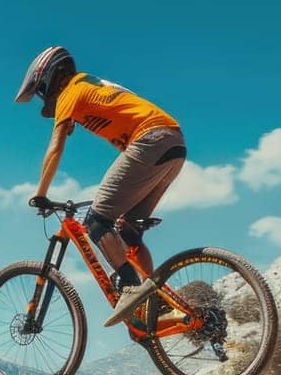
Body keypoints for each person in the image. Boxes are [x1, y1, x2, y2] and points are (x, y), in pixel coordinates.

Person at [14, 46, 187, 328]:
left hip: (152, 140)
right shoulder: (91, 85)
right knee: (128, 228)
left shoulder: (71, 89)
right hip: (174, 145)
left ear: (50, 78)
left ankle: (131, 288)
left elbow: (56, 147)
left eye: (41, 92)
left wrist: (40, 194)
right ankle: (157, 303)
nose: (44, 99)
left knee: (97, 220)